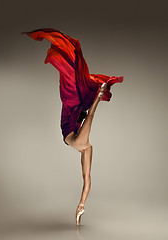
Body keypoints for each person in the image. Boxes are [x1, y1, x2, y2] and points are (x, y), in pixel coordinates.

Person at [22, 28, 124, 225]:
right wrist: (98, 94)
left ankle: (81, 206)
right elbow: (89, 115)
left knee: (72, 86)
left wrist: (99, 94)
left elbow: (91, 114)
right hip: (72, 130)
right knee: (86, 177)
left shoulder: (81, 138)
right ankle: (81, 207)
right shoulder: (85, 144)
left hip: (70, 127)